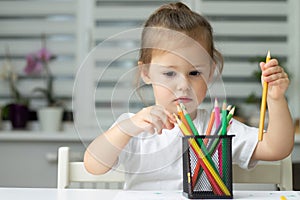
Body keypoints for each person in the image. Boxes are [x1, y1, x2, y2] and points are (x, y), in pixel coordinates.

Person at [84, 2, 294, 190]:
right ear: (146, 72)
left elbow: (276, 148)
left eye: (194, 73)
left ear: (210, 72)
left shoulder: (219, 127)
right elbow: (93, 165)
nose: (183, 86)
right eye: (169, 73)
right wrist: (128, 128)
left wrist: (275, 99)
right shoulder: (134, 127)